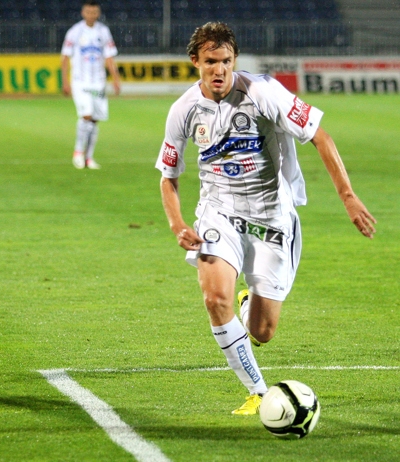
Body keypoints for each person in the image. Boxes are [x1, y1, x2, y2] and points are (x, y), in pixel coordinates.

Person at [156, 22, 376, 415]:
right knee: (214, 297)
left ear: (234, 60)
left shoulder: (263, 92)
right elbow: (168, 178)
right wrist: (177, 225)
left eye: (225, 61)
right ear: (195, 62)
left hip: (272, 216)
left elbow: (320, 136)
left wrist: (348, 196)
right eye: (210, 62)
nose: (219, 70)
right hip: (218, 212)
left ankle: (249, 304)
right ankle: (258, 392)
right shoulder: (183, 110)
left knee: (262, 331)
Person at [61, 0, 121, 170]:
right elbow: (65, 57)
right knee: (86, 115)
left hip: (98, 82)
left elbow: (109, 57)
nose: (91, 15)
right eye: (88, 12)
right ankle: (78, 152)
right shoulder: (75, 31)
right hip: (80, 81)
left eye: (94, 12)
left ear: (98, 13)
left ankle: (89, 157)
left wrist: (115, 79)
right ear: (83, 12)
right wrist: (65, 81)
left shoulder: (103, 31)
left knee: (94, 120)